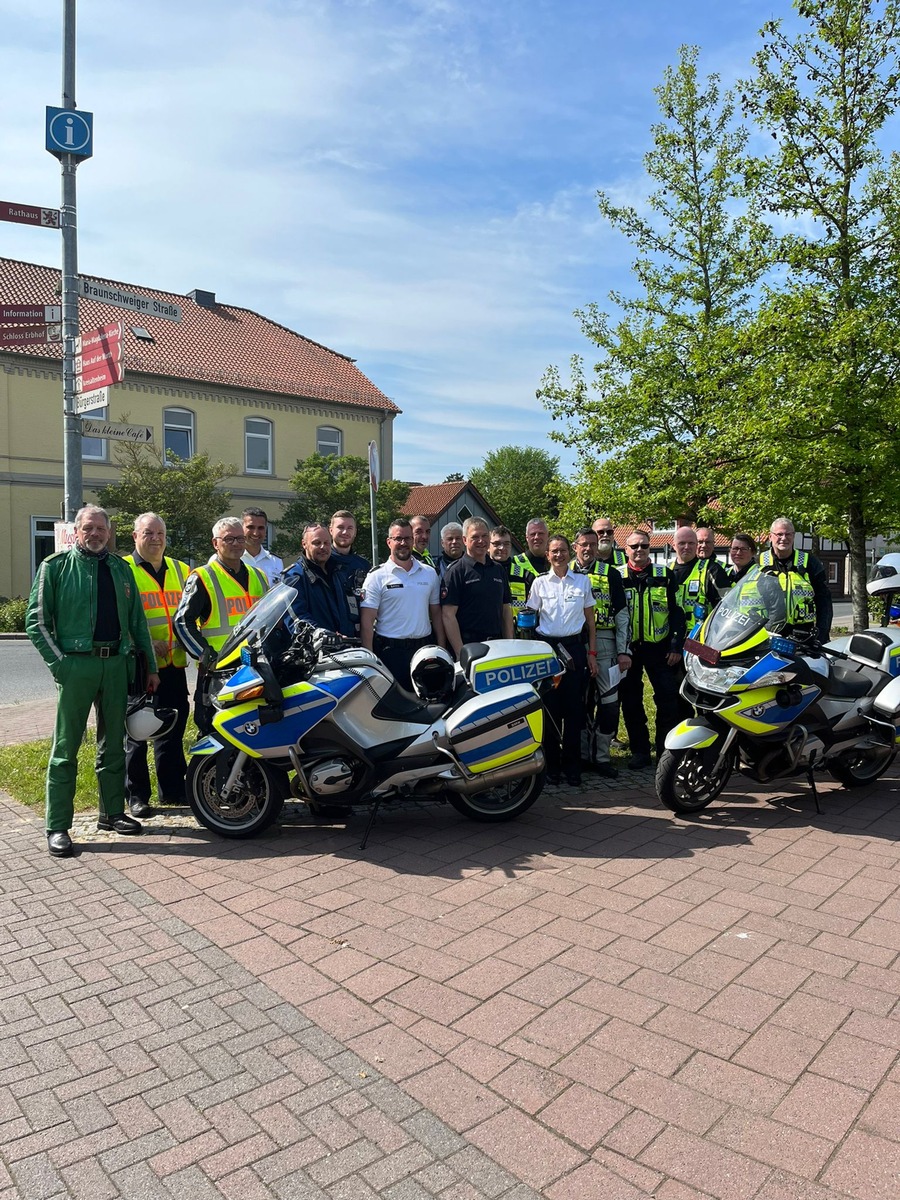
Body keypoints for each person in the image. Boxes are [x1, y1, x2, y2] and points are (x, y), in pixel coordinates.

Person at [26, 505, 159, 857]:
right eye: (89, 528)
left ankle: (112, 812)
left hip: (116, 665)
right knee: (65, 748)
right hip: (76, 666)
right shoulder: (54, 568)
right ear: (77, 531)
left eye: (101, 528)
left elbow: (138, 622)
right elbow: (36, 622)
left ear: (110, 531)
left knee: (114, 743)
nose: (96, 534)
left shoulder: (121, 569)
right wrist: (61, 665)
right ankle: (58, 826)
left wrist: (150, 667)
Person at [123, 513, 191, 817]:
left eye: (160, 533)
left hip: (174, 664)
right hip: (137, 664)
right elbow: (116, 618)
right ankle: (136, 796)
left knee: (171, 728)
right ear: (135, 536)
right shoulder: (122, 569)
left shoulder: (182, 569)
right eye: (148, 533)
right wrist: (144, 644)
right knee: (136, 732)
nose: (155, 539)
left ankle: (173, 791)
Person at [174, 517, 268, 728]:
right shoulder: (203, 576)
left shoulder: (259, 576)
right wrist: (204, 654)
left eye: (239, 539)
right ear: (215, 543)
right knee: (213, 729)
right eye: (228, 539)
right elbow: (182, 622)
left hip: (254, 667)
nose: (236, 544)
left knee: (253, 728)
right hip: (219, 670)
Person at [528, 535, 598, 787]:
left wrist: (592, 654)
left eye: (563, 550)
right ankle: (552, 767)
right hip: (548, 652)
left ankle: (573, 767)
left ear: (571, 552)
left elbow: (590, 622)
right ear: (547, 555)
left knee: (575, 711)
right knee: (550, 710)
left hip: (575, 650)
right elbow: (529, 621)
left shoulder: (582, 581)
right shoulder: (539, 584)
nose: (559, 555)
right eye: (554, 551)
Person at [618, 530, 684, 769]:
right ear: (626, 549)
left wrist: (676, 645)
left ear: (650, 548)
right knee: (632, 701)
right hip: (629, 650)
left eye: (644, 546)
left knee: (668, 700)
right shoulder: (618, 576)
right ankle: (640, 751)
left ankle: (666, 751)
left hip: (660, 649)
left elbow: (677, 612)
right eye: (634, 546)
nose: (639, 550)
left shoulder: (664, 574)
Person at [571, 527, 632, 777]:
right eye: (583, 544)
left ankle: (603, 756)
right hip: (576, 644)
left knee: (609, 704)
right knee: (579, 703)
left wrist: (623, 651)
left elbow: (622, 615)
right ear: (575, 546)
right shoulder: (567, 572)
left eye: (592, 545)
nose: (588, 549)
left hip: (606, 644)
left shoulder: (611, 573)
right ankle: (583, 755)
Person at [359, 520, 444, 688]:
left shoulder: (429, 573)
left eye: (407, 538)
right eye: (398, 539)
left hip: (425, 648)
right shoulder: (376, 576)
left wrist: (441, 648)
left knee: (430, 701)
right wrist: (369, 661)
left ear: (413, 540)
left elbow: (436, 615)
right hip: (391, 653)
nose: (403, 543)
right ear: (389, 542)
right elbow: (366, 623)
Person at [441, 517, 513, 654]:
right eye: (475, 537)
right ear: (465, 540)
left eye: (485, 536)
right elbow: (448, 615)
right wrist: (460, 652)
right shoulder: (456, 571)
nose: (481, 541)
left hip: (498, 645)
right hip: (470, 647)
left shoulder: (498, 570)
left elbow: (506, 610)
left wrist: (510, 643)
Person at [759, 518, 833, 641]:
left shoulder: (809, 562)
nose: (784, 538)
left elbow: (823, 602)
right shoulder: (759, 563)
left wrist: (822, 635)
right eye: (779, 534)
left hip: (802, 635)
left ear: (793, 536)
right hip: (766, 634)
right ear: (770, 536)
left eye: (788, 534)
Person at [282, 523, 356, 636]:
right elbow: (296, 618)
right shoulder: (293, 576)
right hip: (312, 649)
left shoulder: (339, 571)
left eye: (326, 543)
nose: (323, 547)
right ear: (304, 544)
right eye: (317, 543)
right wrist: (320, 634)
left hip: (344, 646)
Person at [671, 527, 730, 629]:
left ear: (695, 545)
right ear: (674, 546)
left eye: (691, 543)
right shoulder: (666, 571)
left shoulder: (712, 570)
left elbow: (728, 606)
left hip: (700, 637)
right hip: (671, 637)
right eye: (682, 543)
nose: (686, 547)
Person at [329, 510, 371, 634]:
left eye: (349, 528)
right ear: (331, 530)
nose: (345, 532)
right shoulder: (321, 563)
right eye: (340, 527)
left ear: (355, 532)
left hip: (358, 635)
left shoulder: (363, 565)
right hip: (330, 637)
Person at [490, 524, 529, 627]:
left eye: (506, 544)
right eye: (496, 544)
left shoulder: (525, 575)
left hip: (518, 635)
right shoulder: (480, 573)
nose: (502, 548)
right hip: (491, 633)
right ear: (488, 547)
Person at [241, 508, 283, 587]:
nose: (255, 533)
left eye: (261, 528)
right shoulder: (229, 559)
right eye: (251, 527)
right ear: (241, 528)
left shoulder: (276, 561)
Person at [512, 518, 550, 584]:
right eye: (533, 534)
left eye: (541, 533)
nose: (536, 537)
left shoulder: (556, 562)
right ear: (527, 537)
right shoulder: (516, 563)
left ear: (548, 536)